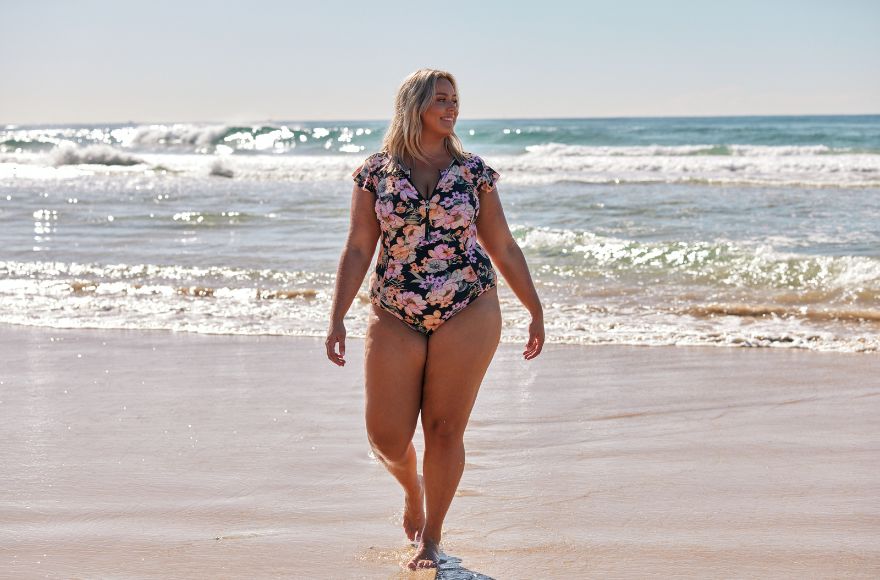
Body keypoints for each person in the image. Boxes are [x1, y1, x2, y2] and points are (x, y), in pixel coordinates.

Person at [325, 68, 544, 570]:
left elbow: (503, 246)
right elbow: (359, 247)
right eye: (440, 99)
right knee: (386, 437)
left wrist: (534, 309)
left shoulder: (473, 173)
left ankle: (432, 538)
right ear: (415, 105)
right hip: (395, 308)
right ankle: (412, 489)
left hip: (468, 303)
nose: (451, 108)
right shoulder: (375, 172)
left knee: (444, 429)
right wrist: (337, 317)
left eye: (455, 100)